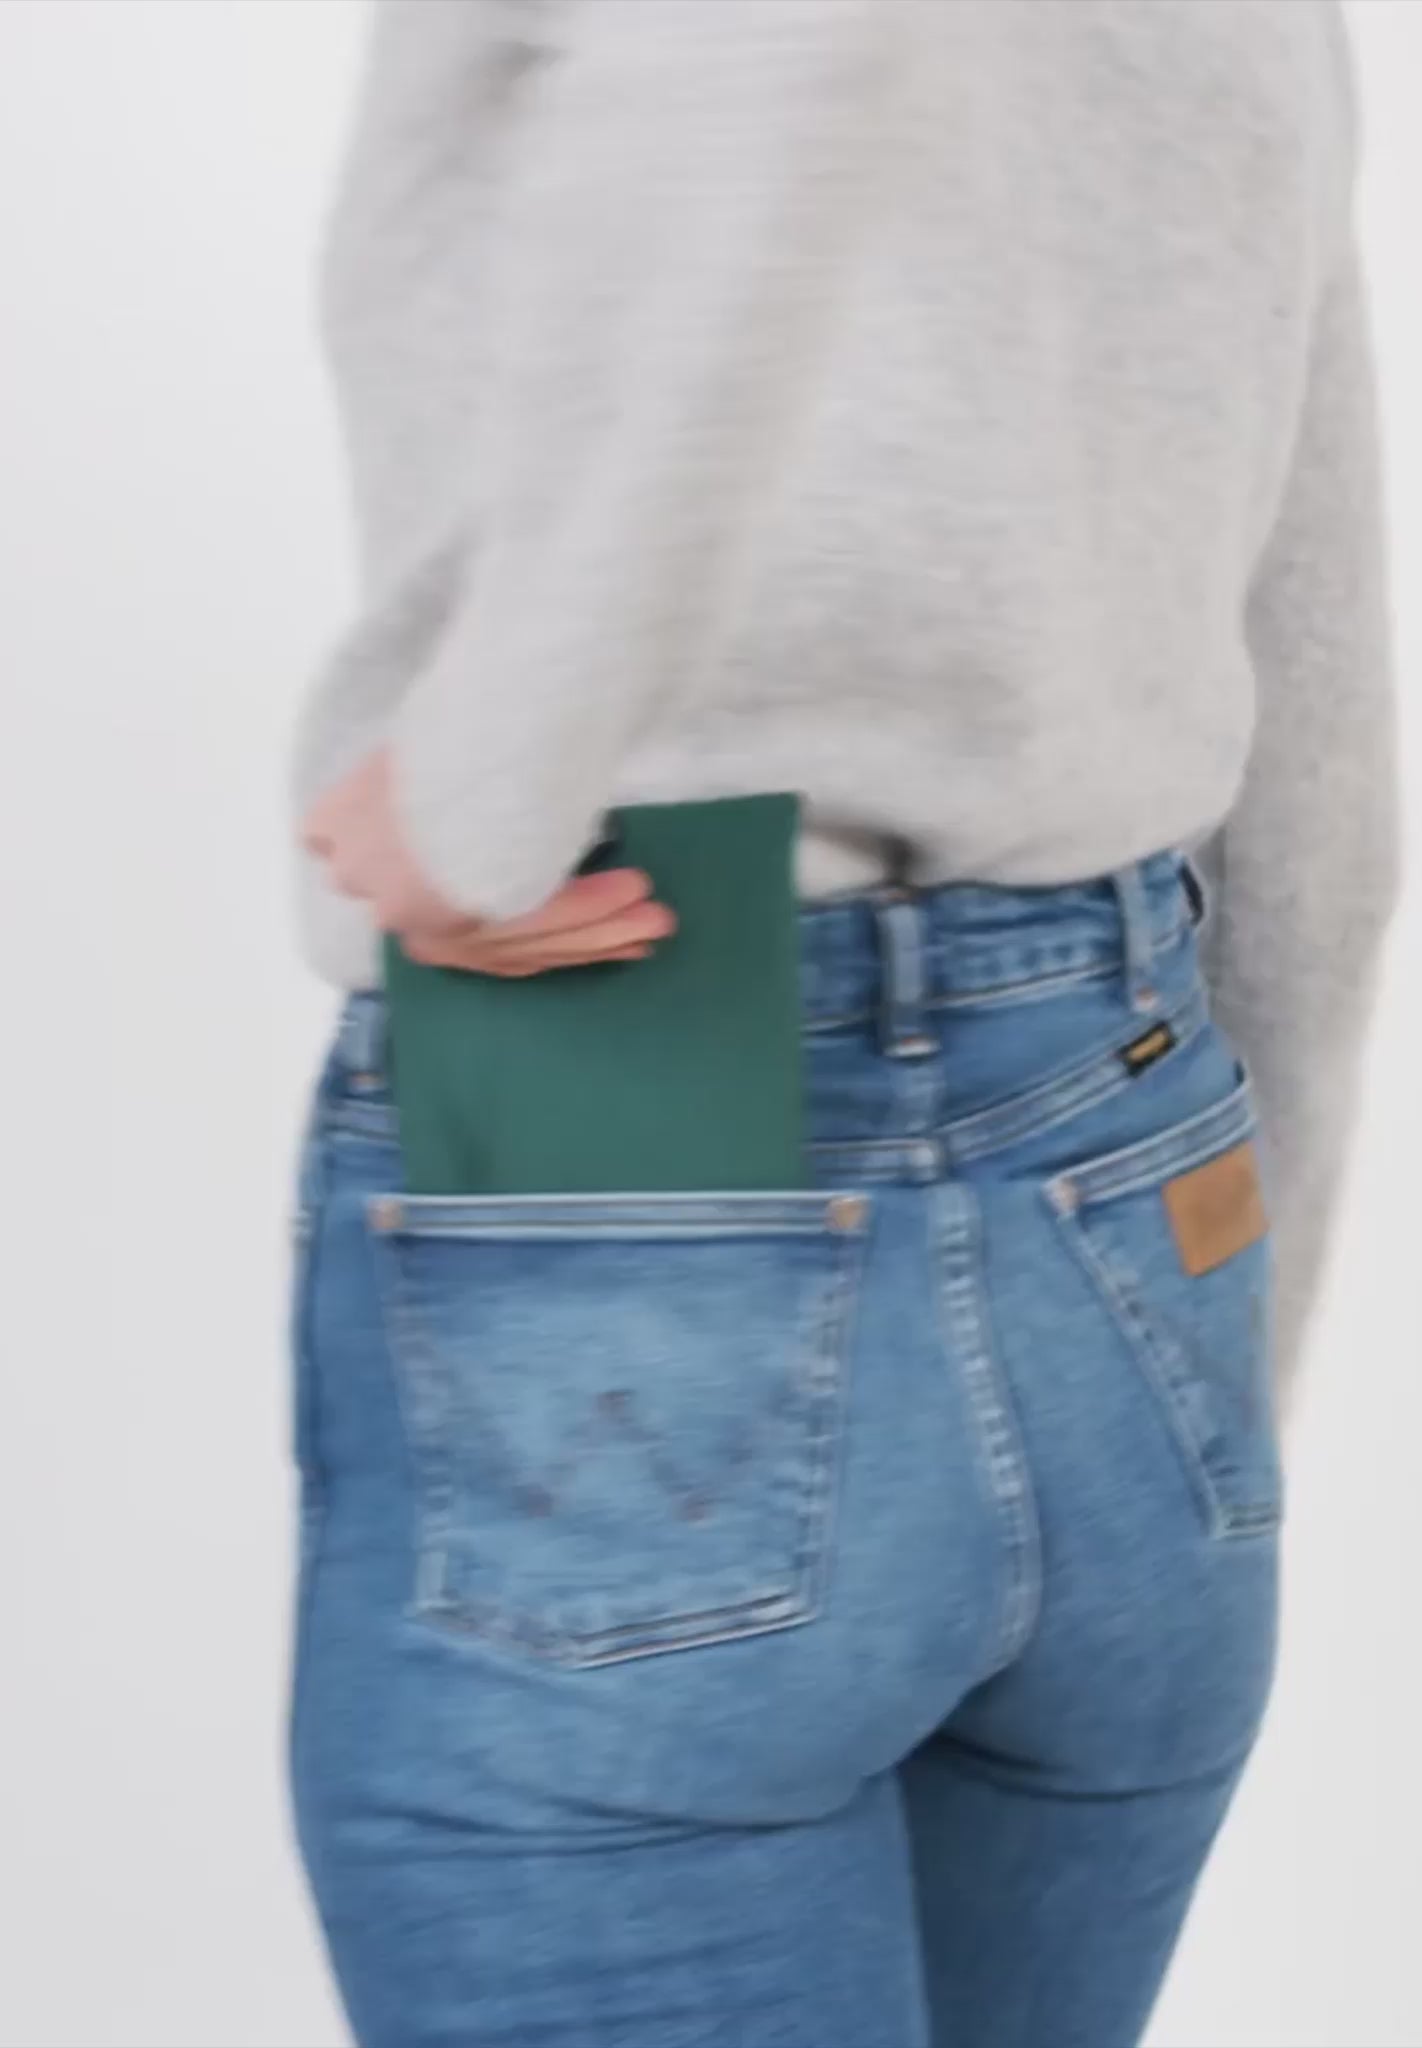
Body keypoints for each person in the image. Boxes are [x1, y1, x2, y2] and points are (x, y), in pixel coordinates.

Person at [291, 5, 1399, 2044]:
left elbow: (787, 51)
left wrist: (480, 788)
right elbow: (1316, 684)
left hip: (637, 1081)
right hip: (1142, 1193)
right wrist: (1224, 1354)